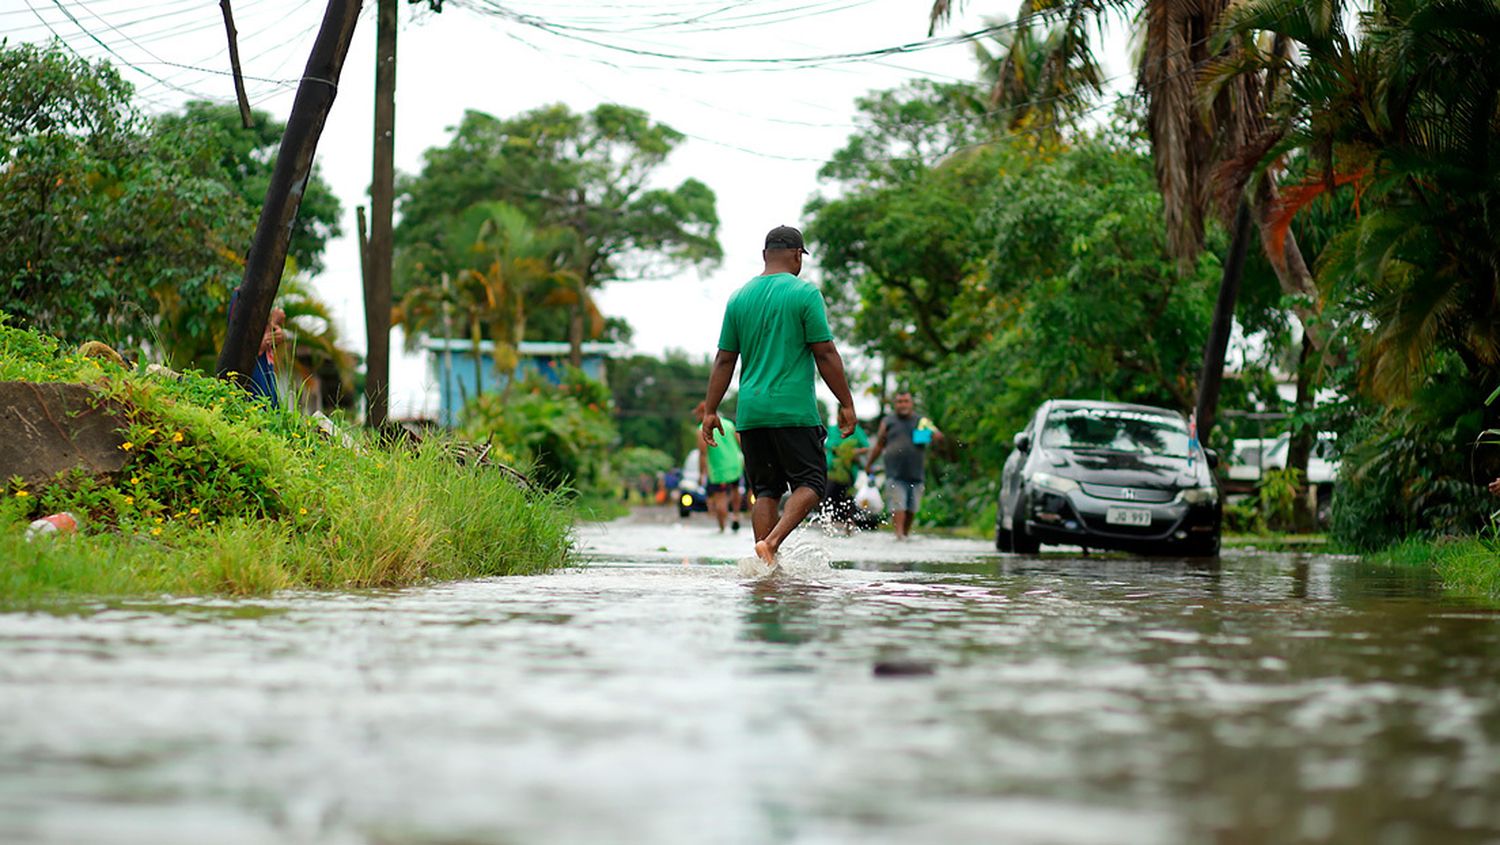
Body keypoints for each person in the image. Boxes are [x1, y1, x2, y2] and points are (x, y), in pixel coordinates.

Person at [701, 225, 857, 567]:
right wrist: (846, 402)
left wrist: (711, 410)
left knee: (766, 490)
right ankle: (771, 543)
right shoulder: (805, 294)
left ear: (765, 255)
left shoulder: (739, 297)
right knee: (812, 482)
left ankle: (763, 564)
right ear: (798, 255)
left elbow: (725, 358)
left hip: (751, 414)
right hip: (793, 411)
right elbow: (825, 353)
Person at [864, 390, 943, 540]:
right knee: (898, 506)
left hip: (916, 474)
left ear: (911, 403)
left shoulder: (921, 421)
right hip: (895, 473)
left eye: (906, 401)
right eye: (900, 402)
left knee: (911, 509)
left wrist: (935, 436)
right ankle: (899, 536)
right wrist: (869, 464)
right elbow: (879, 445)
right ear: (895, 404)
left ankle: (904, 536)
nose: (903, 405)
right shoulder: (888, 422)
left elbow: (938, 437)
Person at [693, 402, 745, 532]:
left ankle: (722, 528)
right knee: (735, 490)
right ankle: (736, 516)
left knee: (720, 497)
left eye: (698, 414)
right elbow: (740, 443)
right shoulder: (728, 424)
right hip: (735, 464)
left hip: (719, 468)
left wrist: (701, 473)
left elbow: (703, 454)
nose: (697, 417)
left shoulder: (701, 429)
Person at [822, 415, 869, 533]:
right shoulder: (832, 429)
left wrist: (853, 452)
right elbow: (826, 446)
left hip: (849, 470)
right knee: (829, 496)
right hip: (832, 470)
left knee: (847, 497)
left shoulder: (856, 430)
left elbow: (866, 447)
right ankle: (827, 524)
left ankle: (849, 524)